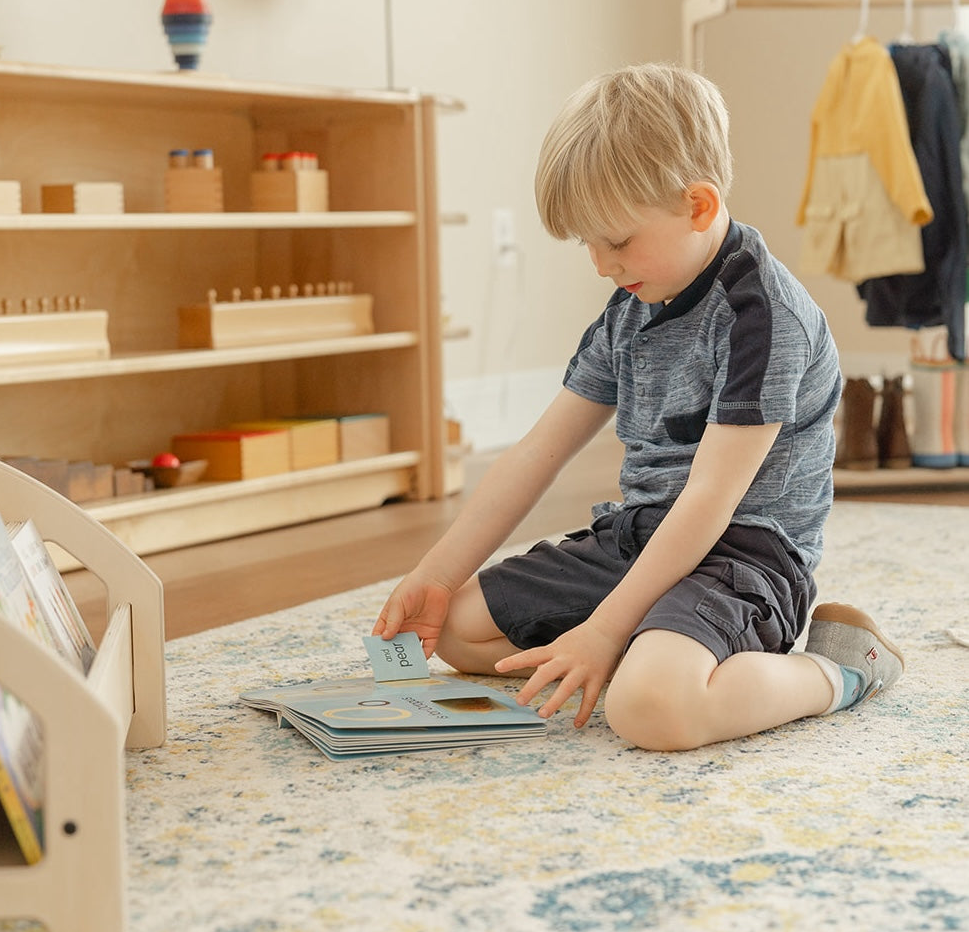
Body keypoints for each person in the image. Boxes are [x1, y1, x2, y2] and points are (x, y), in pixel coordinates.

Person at [373, 62, 904, 751]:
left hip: (740, 555)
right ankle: (656, 636)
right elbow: (539, 452)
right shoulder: (630, 307)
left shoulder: (761, 316)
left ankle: (839, 669)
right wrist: (435, 574)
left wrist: (603, 628)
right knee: (453, 629)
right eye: (585, 242)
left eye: (615, 240)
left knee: (652, 709)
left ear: (698, 205)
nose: (599, 263)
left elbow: (709, 502)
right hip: (641, 536)